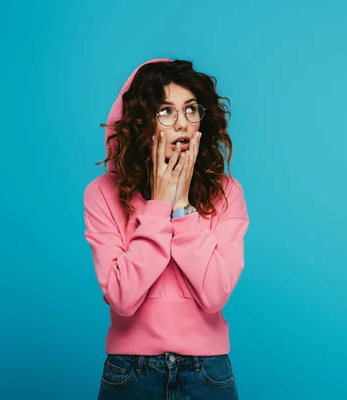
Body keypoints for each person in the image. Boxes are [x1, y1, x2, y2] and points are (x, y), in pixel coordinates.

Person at [83, 58, 249, 399]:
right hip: (130, 372)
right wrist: (159, 205)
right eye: (166, 112)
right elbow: (122, 299)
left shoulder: (227, 192)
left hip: (208, 372)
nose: (183, 124)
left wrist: (181, 207)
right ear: (142, 122)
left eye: (191, 110)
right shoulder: (101, 193)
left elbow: (215, 293)